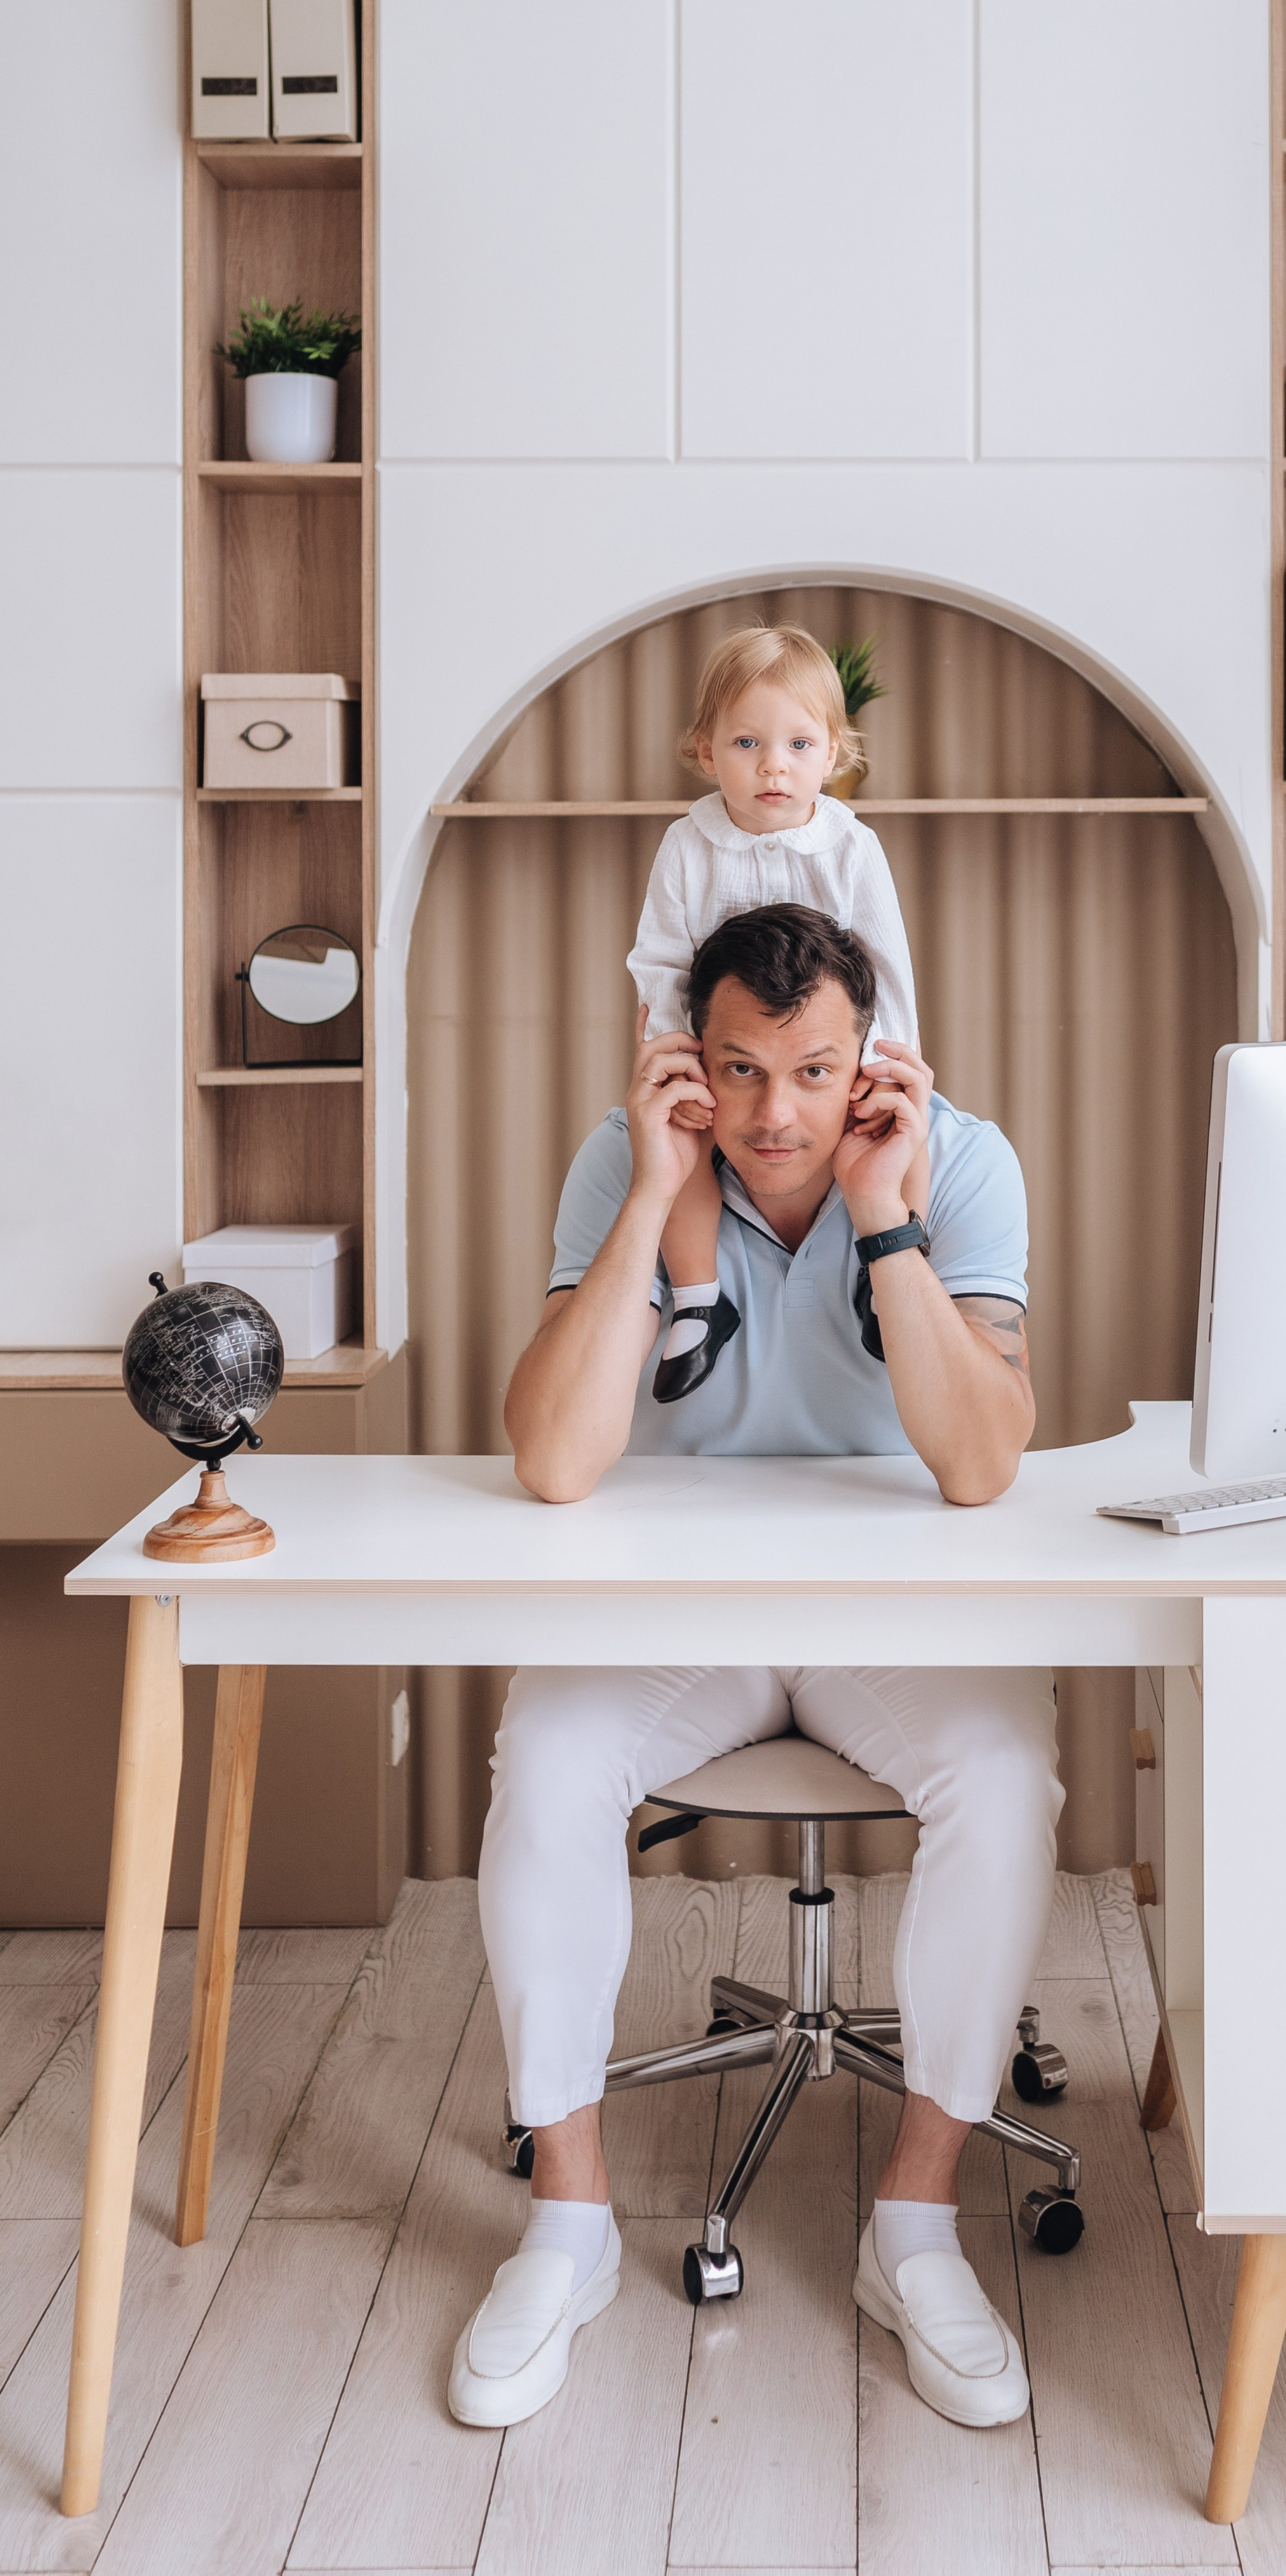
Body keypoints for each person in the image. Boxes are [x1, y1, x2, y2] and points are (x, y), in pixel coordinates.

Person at [452, 903, 1063, 2437]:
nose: (775, 1112)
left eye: (812, 1069)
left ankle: (914, 2224)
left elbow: (981, 1466)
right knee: (546, 1760)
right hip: (685, 1617)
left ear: (872, 1058)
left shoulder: (961, 1161)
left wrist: (885, 1215)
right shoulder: (629, 1158)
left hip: (894, 1620)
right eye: (739, 1068)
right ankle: (568, 2222)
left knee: (1003, 1776)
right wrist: (654, 1192)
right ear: (689, 1059)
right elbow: (553, 1460)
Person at [625, 622, 925, 1402]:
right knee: (683, 1139)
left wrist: (885, 1060)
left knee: (906, 1125)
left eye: (798, 745)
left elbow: (887, 961)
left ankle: (891, 1269)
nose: (773, 766)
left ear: (833, 753)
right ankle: (699, 1296)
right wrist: (676, 1050)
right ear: (705, 750)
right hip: (723, 1050)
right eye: (747, 742)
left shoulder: (850, 846)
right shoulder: (688, 844)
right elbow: (661, 957)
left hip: (831, 1049)